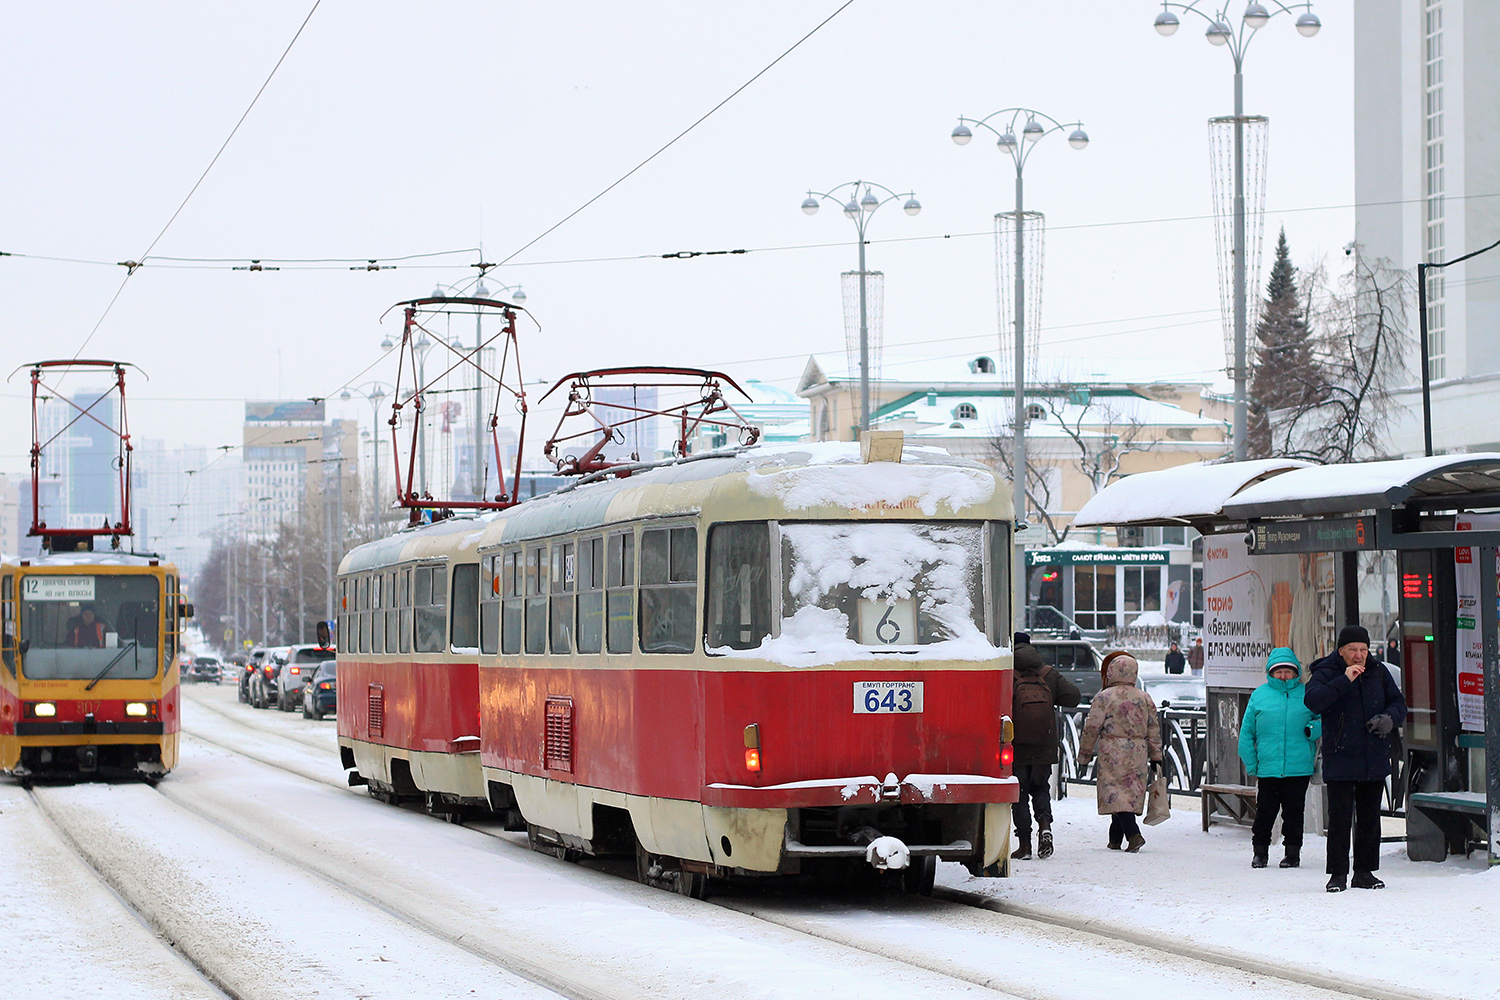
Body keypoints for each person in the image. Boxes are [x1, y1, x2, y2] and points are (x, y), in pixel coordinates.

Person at [1304, 625, 1407, 892]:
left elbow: (1398, 703)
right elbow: (1313, 701)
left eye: (1363, 649)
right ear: (1341, 651)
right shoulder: (1327, 671)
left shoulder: (1378, 671)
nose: (1359, 655)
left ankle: (1364, 872)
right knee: (1340, 818)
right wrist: (1344, 680)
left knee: (1370, 818)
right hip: (1340, 755)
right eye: (1353, 650)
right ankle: (1337, 874)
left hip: (1373, 756)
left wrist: (1389, 719)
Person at [1238, 647, 1321, 869]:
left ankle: (1292, 854)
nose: (1283, 676)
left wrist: (1312, 729)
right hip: (1268, 767)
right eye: (1279, 672)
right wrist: (1253, 764)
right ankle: (1260, 853)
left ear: (1296, 673)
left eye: (1288, 671)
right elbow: (1246, 734)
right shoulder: (1259, 695)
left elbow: (1323, 720)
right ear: (1270, 673)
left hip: (1299, 767)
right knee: (1265, 812)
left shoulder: (1307, 693)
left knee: (1294, 813)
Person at [1078, 651, 1162, 852]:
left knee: (1116, 792)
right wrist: (1156, 755)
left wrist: (1084, 756)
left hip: (1112, 751)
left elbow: (1092, 728)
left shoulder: (1104, 697)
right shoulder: (1144, 698)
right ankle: (1115, 838)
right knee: (1127, 793)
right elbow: (1153, 728)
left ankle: (1134, 835)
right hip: (1138, 752)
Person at [1010, 631, 1082, 861]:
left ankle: (1024, 845)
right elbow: (1074, 697)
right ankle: (1045, 826)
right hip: (1044, 746)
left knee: (1019, 795)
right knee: (1040, 789)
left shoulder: (1006, 674)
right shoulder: (1048, 674)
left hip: (1016, 747)